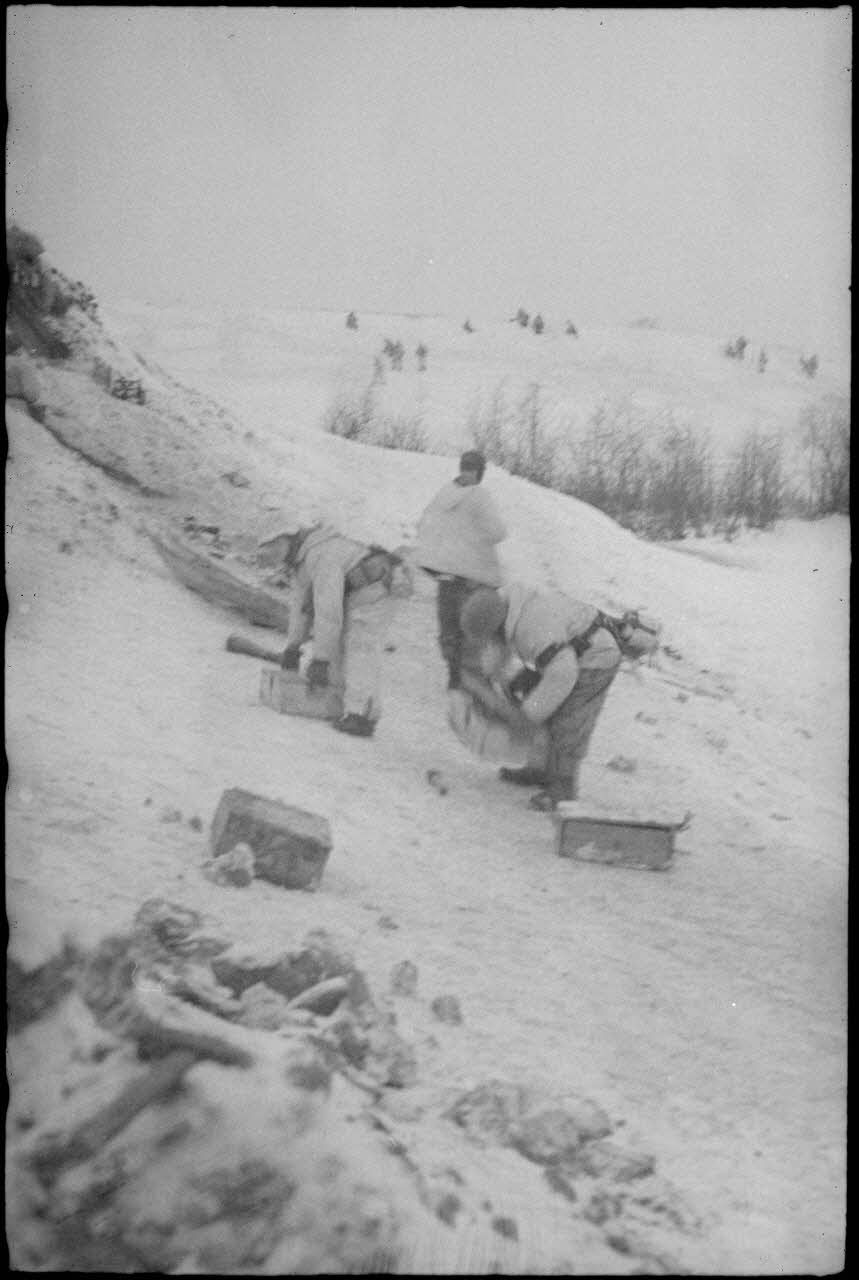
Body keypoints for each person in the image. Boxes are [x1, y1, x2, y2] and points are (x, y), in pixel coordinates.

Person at [458, 584, 657, 811]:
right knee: (529, 692)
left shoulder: (531, 630)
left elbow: (562, 674)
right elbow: (502, 648)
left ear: (496, 627)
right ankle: (540, 768)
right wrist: (492, 679)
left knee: (569, 723)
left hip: (596, 658)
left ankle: (563, 790)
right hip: (567, 652)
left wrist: (528, 715)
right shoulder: (508, 606)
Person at [257, 521, 400, 738]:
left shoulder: (321, 555)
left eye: (270, 549)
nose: (269, 558)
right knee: (337, 648)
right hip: (356, 593)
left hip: (376, 591)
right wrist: (293, 647)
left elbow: (327, 610)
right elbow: (301, 607)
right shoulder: (301, 561)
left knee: (360, 649)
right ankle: (340, 707)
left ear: (284, 540)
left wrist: (320, 659)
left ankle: (363, 717)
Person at [413, 449, 507, 691]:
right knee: (474, 629)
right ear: (481, 472)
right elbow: (498, 532)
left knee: (449, 628)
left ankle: (454, 677)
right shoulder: (479, 495)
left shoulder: (443, 494)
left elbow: (424, 525)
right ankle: (474, 683)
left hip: (445, 574)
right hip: (474, 576)